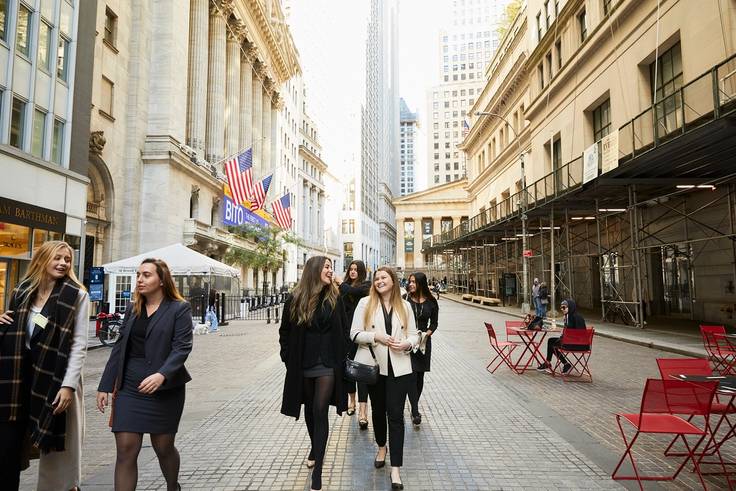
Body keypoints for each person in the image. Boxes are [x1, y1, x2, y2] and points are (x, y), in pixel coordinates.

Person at [97, 258, 193, 491]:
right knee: (126, 450)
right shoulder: (133, 308)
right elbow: (119, 348)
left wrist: (162, 374)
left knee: (163, 447)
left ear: (162, 280)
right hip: (130, 387)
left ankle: (173, 486)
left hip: (164, 390)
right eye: (138, 274)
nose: (140, 279)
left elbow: (182, 347)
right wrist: (105, 385)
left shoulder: (179, 308)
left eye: (147, 275)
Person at [0, 241, 89, 491]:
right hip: (21, 378)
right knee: (9, 444)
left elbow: (79, 345)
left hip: (56, 379)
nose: (63, 263)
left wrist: (68, 386)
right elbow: (14, 329)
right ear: (42, 260)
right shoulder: (22, 292)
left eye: (67, 259)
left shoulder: (76, 295)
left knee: (57, 453)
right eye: (57, 258)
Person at [279, 256, 349, 491]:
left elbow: (344, 327)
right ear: (315, 270)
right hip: (303, 363)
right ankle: (314, 446)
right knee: (309, 410)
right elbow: (285, 332)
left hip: (328, 364)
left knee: (320, 410)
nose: (331, 270)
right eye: (327, 267)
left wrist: (342, 355)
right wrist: (288, 357)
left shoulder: (334, 297)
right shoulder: (295, 298)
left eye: (331, 267)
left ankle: (318, 469)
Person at [352, 267, 419, 490]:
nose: (379, 281)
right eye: (376, 278)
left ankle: (396, 470)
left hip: (400, 368)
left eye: (384, 278)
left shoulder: (405, 305)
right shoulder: (365, 303)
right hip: (375, 368)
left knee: (397, 417)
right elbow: (353, 333)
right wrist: (375, 336)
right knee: (378, 412)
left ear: (393, 281)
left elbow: (415, 335)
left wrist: (407, 343)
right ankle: (382, 446)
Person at [336, 259, 371, 429]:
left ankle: (364, 411)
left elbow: (353, 291)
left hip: (361, 334)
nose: (352, 272)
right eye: (351, 269)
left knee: (362, 372)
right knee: (349, 370)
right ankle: (352, 402)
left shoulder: (365, 286)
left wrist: (340, 283)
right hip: (344, 335)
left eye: (356, 269)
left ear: (361, 271)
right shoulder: (343, 288)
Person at [404, 272, 439, 427]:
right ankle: (415, 411)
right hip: (409, 342)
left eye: (414, 282)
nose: (411, 284)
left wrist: (427, 334)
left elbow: (434, 323)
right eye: (410, 282)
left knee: (419, 377)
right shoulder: (405, 299)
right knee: (411, 376)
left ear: (421, 284)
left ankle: (414, 406)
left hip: (424, 343)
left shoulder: (431, 302)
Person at [537, 298, 588, 374]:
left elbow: (579, 333)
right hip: (571, 342)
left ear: (570, 307)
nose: (562, 309)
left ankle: (558, 363)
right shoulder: (568, 316)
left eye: (564, 307)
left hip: (578, 344)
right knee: (551, 341)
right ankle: (561, 363)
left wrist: (565, 336)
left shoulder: (577, 317)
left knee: (552, 344)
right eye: (561, 307)